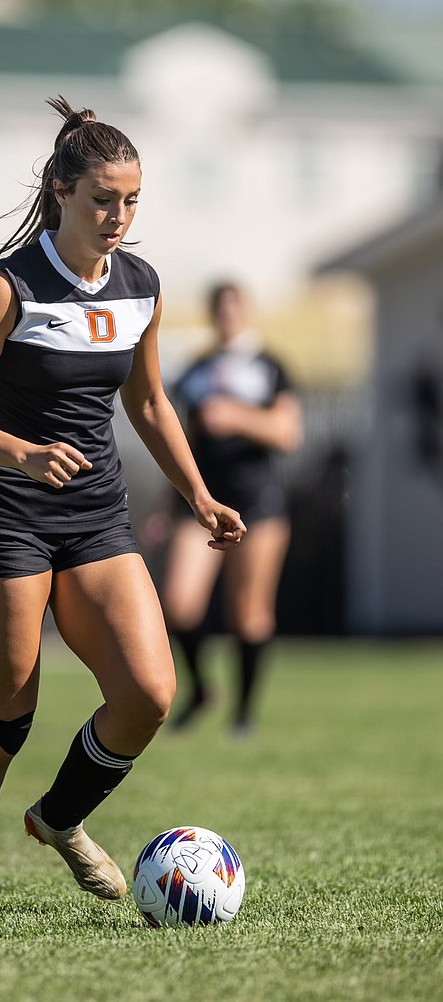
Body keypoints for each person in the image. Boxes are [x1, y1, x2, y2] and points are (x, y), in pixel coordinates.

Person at [0, 96, 246, 917]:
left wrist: (199, 493)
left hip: (96, 515)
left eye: (132, 201)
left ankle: (58, 820)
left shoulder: (141, 285)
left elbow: (150, 404)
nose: (119, 216)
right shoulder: (8, 286)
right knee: (4, 721)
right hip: (5, 510)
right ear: (61, 190)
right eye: (104, 199)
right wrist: (21, 452)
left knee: (148, 691)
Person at [160, 281, 303, 733]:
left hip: (258, 500)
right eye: (219, 308)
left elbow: (287, 433)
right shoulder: (197, 369)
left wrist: (238, 416)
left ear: (246, 311)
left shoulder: (269, 366)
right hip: (203, 503)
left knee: (249, 612)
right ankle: (201, 688)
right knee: (179, 604)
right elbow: (179, 439)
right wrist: (168, 503)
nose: (227, 316)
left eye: (234, 307)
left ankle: (243, 715)